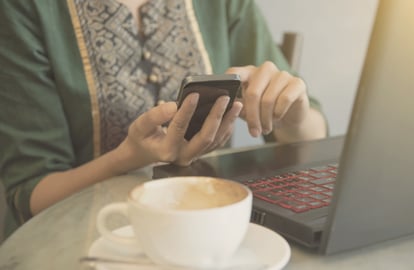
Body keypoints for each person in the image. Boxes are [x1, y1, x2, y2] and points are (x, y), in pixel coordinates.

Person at [0, 0, 327, 237]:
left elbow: (311, 139)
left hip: (210, 231)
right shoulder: (24, 9)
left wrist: (295, 117)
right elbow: (30, 195)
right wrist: (126, 159)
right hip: (84, 238)